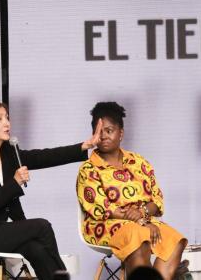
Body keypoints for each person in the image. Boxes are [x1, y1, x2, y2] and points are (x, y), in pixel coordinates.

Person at [0, 101, 101, 280]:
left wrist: (84, 146)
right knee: (42, 226)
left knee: (37, 250)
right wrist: (15, 182)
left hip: (4, 230)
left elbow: (44, 156)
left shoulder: (10, 153)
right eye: (0, 119)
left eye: (7, 118)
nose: (7, 123)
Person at [76, 102, 187, 279]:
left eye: (109, 130)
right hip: (104, 224)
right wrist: (139, 220)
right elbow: (101, 209)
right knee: (138, 236)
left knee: (174, 239)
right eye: (99, 132)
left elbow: (156, 201)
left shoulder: (139, 162)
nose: (103, 136)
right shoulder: (89, 169)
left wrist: (142, 213)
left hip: (143, 221)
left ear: (121, 134)